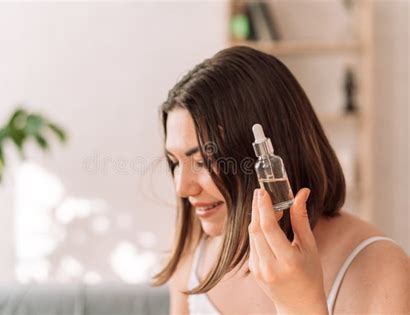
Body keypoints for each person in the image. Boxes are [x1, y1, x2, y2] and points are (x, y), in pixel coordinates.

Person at [151, 46, 409, 314]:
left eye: (204, 161)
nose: (182, 188)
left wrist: (300, 304)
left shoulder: (380, 269)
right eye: (175, 162)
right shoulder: (193, 257)